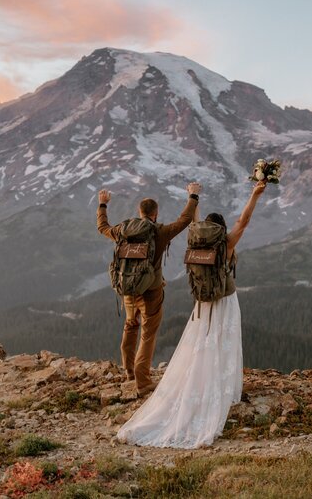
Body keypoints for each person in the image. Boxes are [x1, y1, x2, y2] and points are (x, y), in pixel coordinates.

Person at [117, 180, 267, 448]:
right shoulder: (227, 244)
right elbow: (243, 221)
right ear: (221, 228)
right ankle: (222, 387)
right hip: (226, 301)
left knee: (201, 345)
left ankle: (197, 382)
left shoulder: (199, 240)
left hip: (203, 303)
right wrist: (255, 194)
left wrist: (193, 197)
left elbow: (196, 221)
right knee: (224, 343)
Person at [97, 182, 202, 396]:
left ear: (140, 212)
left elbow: (103, 227)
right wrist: (193, 197)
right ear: (155, 214)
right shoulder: (159, 232)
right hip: (151, 292)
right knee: (148, 335)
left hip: (128, 290)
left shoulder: (123, 231)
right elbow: (184, 221)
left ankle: (129, 372)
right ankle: (143, 382)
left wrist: (102, 205)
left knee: (130, 327)